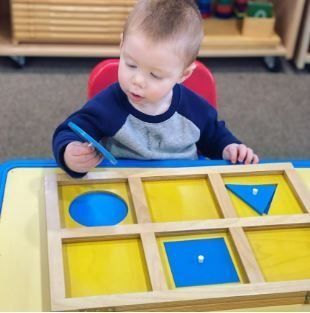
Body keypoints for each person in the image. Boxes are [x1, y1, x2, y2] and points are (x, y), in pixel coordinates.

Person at [53, 0, 259, 178]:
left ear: (183, 75)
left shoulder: (194, 109)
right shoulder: (109, 105)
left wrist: (231, 149)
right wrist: (70, 155)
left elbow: (215, 137)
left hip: (182, 187)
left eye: (155, 75)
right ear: (122, 45)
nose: (138, 80)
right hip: (123, 185)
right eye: (131, 64)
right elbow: (68, 132)